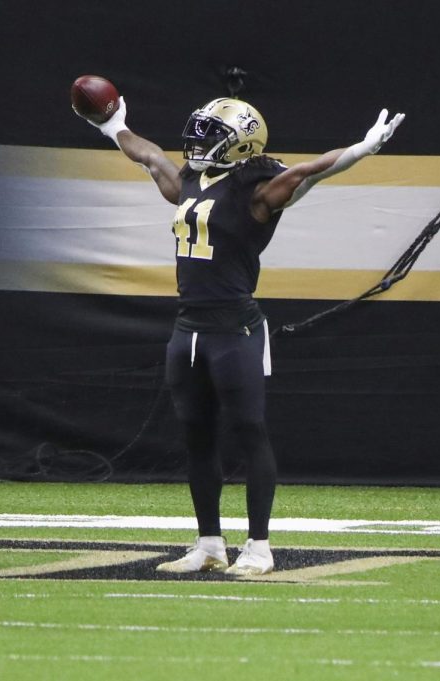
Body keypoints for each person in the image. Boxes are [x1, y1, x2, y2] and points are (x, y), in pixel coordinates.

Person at [77, 92, 404, 575]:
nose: (197, 141)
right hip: (188, 329)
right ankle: (209, 543)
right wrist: (112, 125)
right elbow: (147, 154)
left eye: (211, 134)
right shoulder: (192, 179)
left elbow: (309, 171)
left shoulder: (257, 190)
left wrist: (361, 148)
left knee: (249, 431)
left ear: (241, 145)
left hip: (234, 329)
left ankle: (259, 546)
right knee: (196, 436)